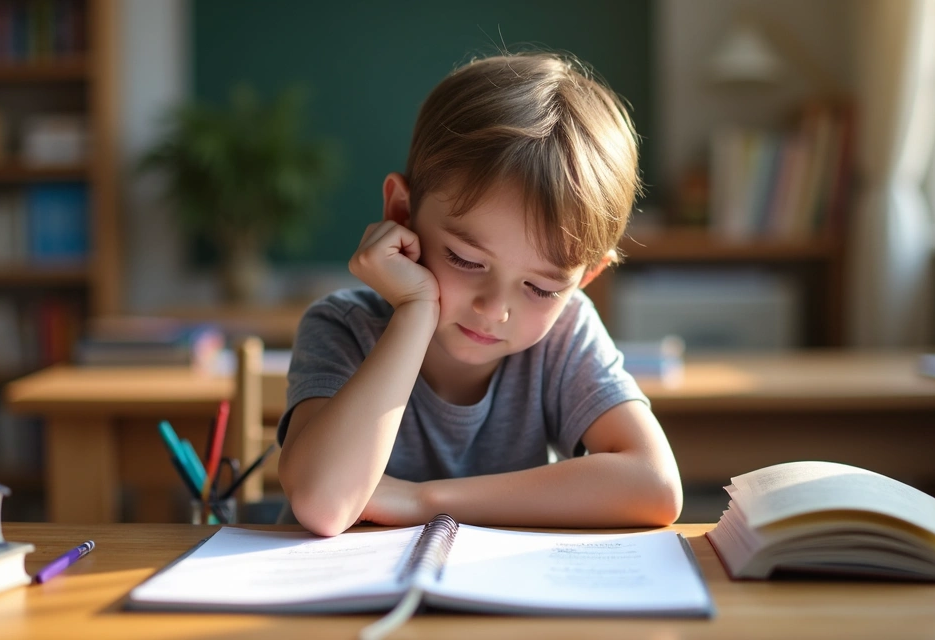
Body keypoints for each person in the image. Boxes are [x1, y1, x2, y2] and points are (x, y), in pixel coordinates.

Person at [276, 52, 682, 537]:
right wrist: (415, 311)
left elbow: (655, 486)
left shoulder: (567, 332)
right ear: (402, 213)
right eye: (466, 260)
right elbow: (324, 505)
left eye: (541, 287)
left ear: (586, 278)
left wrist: (422, 499)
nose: (495, 309)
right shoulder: (342, 327)